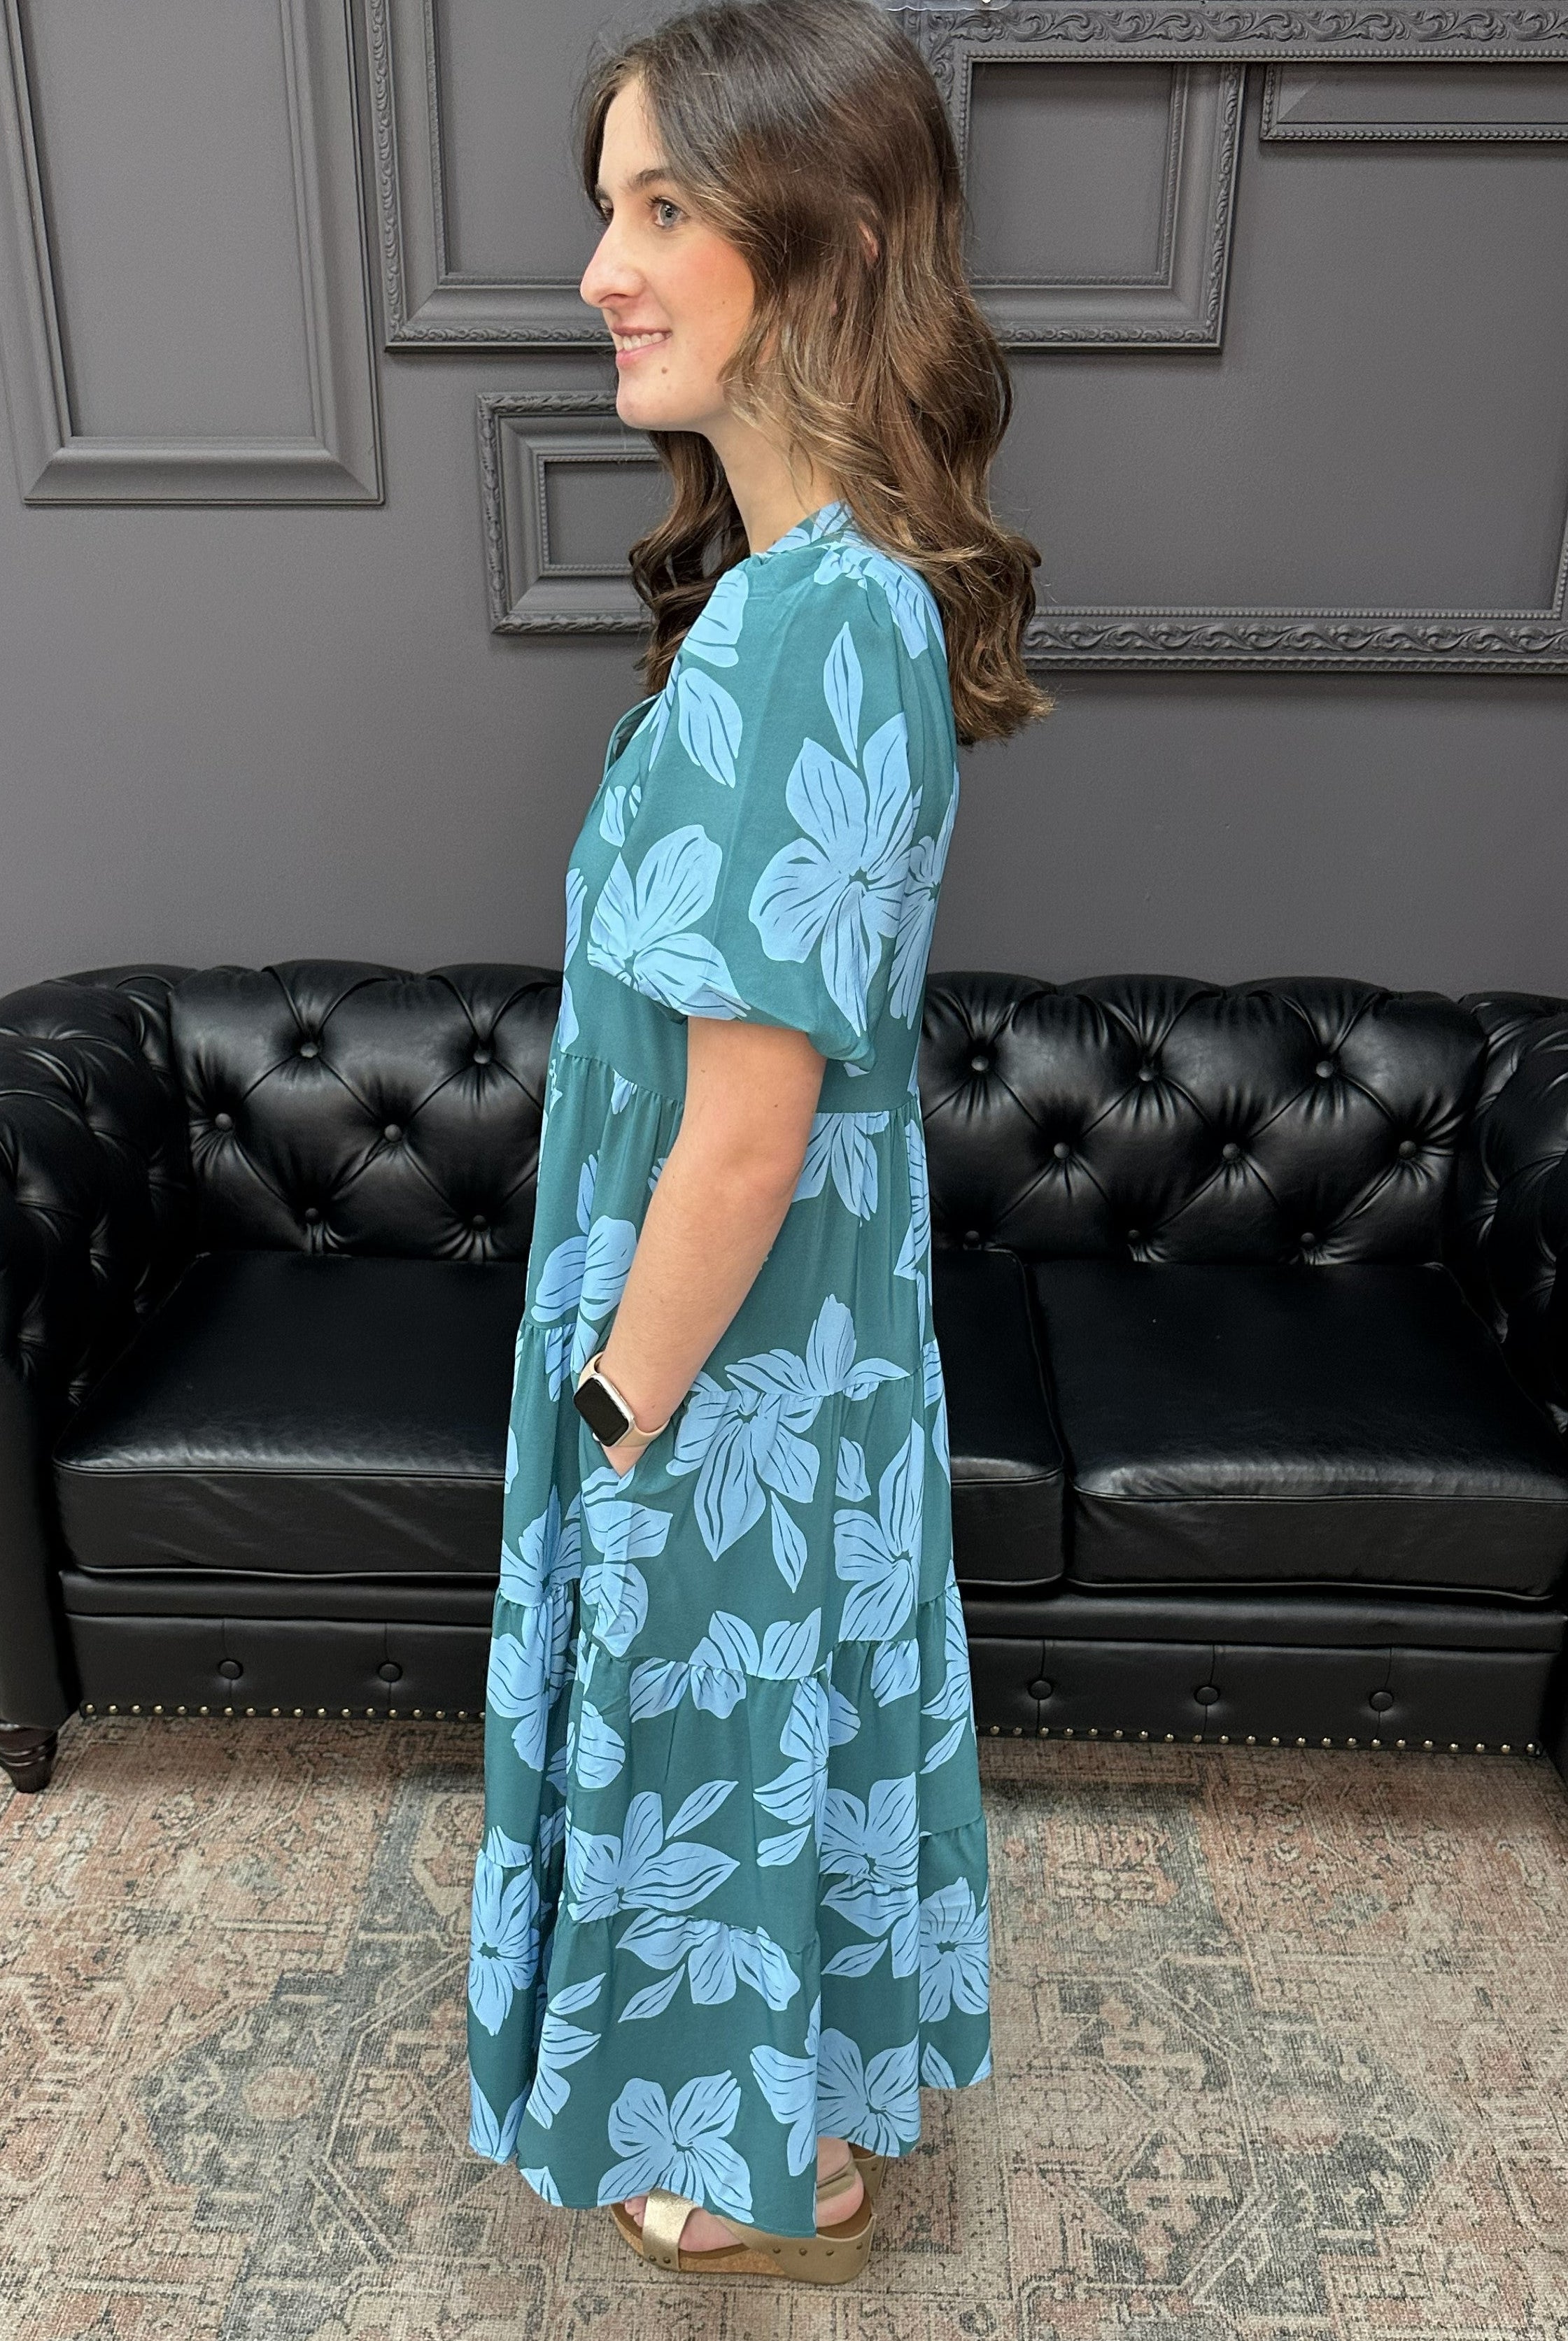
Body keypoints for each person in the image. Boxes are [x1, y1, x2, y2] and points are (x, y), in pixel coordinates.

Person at [465, 0, 1051, 2286]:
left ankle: (745, 2175)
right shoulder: (832, 600)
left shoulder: (804, 633)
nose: (603, 266)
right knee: (774, 1716)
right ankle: (794, 2135)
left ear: (817, 244)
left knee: (708, 1743)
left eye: (660, 205)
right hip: (793, 1344)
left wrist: (612, 1400)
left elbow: (740, 1129)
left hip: (723, 1353)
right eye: (604, 206)